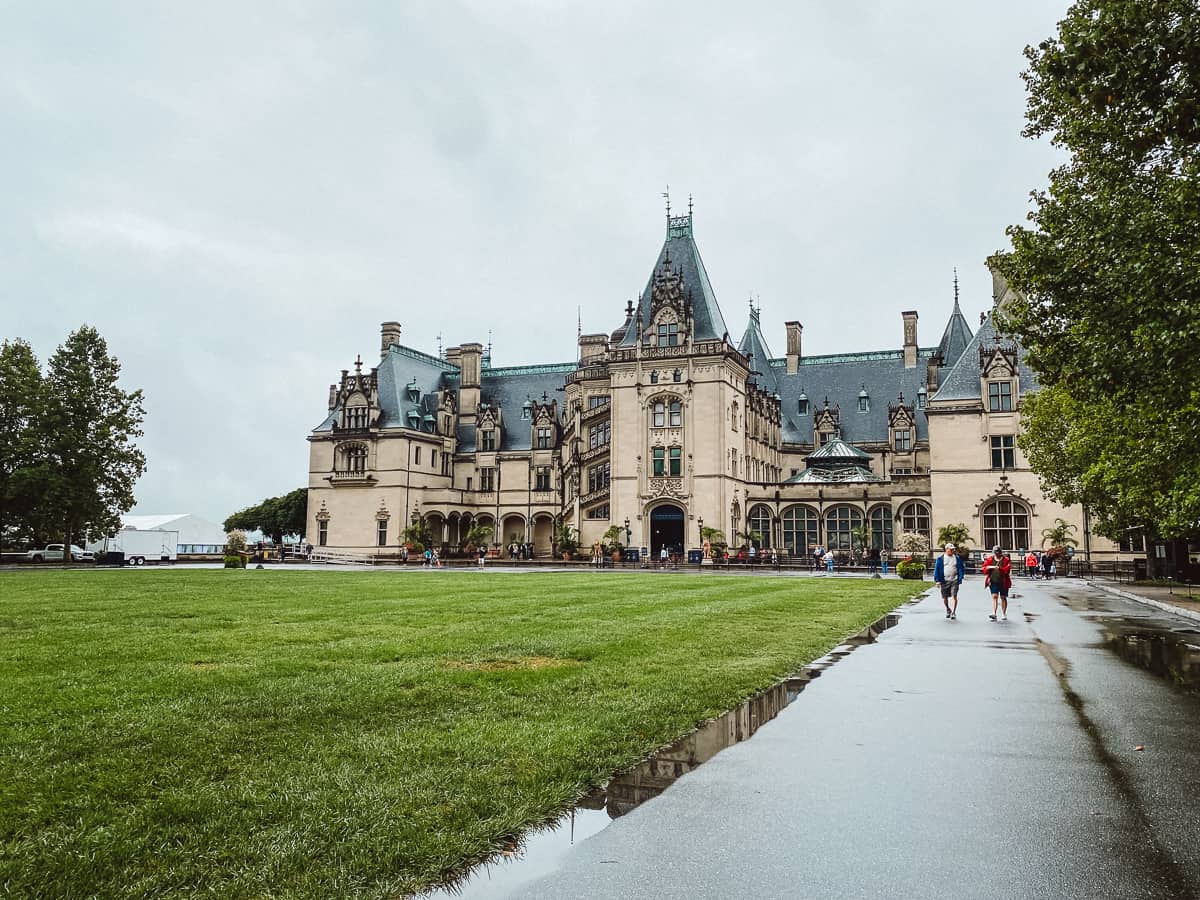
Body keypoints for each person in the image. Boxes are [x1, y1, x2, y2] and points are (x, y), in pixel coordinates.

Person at [933, 543, 965, 619]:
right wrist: (937, 580)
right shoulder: (940, 559)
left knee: (954, 596)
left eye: (953, 549)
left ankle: (953, 612)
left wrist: (960, 577)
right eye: (951, 549)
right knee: (945, 597)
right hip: (944, 580)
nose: (953, 551)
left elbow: (961, 568)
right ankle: (948, 609)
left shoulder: (957, 558)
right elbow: (936, 570)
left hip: (954, 579)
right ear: (946, 549)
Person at [983, 545, 1012, 621]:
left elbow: (1007, 570)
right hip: (993, 581)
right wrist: (989, 567)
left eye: (998, 552)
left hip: (1003, 581)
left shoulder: (1006, 560)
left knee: (1003, 597)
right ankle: (994, 613)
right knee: (994, 596)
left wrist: (1000, 568)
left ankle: (1003, 613)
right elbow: (984, 568)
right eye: (995, 552)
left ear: (1000, 552)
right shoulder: (990, 559)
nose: (996, 554)